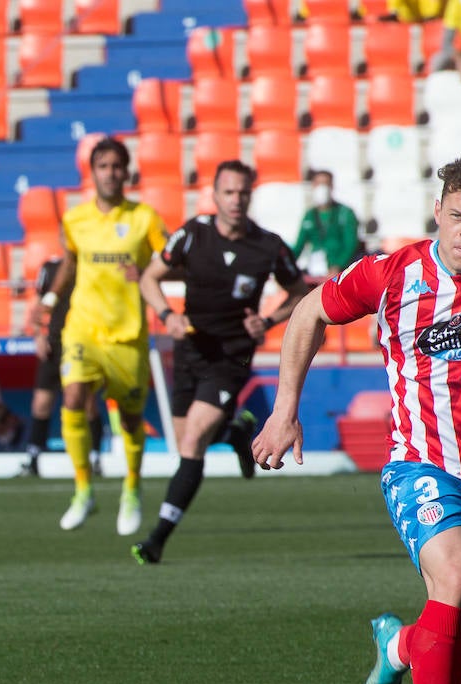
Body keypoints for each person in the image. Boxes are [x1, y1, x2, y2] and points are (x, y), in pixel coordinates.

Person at [252, 153, 461, 684]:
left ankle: (396, 645)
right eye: (458, 217)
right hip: (425, 468)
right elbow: (307, 313)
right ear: (438, 210)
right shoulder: (392, 275)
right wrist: (284, 412)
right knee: (455, 575)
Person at [131, 160, 312, 565]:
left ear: (251, 196)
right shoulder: (193, 234)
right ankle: (235, 432)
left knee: (192, 441)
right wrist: (167, 315)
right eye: (228, 192)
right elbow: (149, 277)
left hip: (232, 354)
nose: (236, 200)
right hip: (191, 349)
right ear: (214, 195)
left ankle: (158, 537)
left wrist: (266, 320)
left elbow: (299, 292)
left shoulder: (268, 246)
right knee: (185, 441)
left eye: (243, 193)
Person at [39, 137, 167, 534]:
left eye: (117, 166)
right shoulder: (75, 220)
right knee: (74, 395)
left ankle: (131, 488)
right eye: (103, 166)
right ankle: (83, 490)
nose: (111, 173)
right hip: (84, 328)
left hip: (127, 335)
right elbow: (70, 262)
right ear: (92, 172)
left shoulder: (145, 218)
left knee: (130, 421)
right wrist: (47, 302)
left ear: (126, 172)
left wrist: (147, 274)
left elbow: (173, 263)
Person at [18, 257, 107, 477]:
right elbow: (38, 304)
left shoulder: (91, 264)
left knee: (86, 403)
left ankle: (95, 457)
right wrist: (38, 335)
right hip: (54, 343)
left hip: (81, 343)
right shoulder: (49, 268)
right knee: (41, 403)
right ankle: (33, 458)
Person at [291, 171, 361, 279]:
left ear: (332, 186)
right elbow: (299, 245)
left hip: (341, 272)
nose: (321, 188)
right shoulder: (309, 215)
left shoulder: (345, 213)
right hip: (315, 270)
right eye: (318, 184)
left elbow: (351, 244)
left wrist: (337, 266)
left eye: (325, 184)